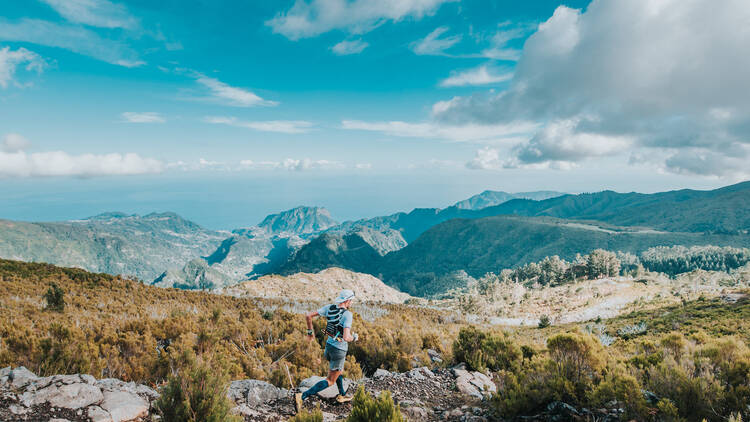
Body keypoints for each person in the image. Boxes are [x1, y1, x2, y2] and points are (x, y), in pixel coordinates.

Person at [295, 289, 359, 412]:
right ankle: (302, 396)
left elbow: (308, 316)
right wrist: (355, 338)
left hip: (329, 347)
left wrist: (310, 334)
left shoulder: (329, 308)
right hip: (339, 350)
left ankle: (341, 394)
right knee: (330, 380)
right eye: (351, 301)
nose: (351, 303)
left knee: (338, 370)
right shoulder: (347, 315)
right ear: (347, 301)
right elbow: (346, 337)